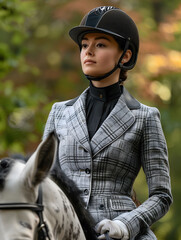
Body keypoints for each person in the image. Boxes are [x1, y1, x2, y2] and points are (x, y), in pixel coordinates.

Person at [43, 6, 172, 240]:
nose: (88, 52)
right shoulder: (59, 112)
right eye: (84, 45)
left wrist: (125, 225)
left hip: (119, 232)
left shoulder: (145, 117)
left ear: (125, 55)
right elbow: (42, 179)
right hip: (63, 225)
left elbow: (162, 195)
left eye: (100, 44)